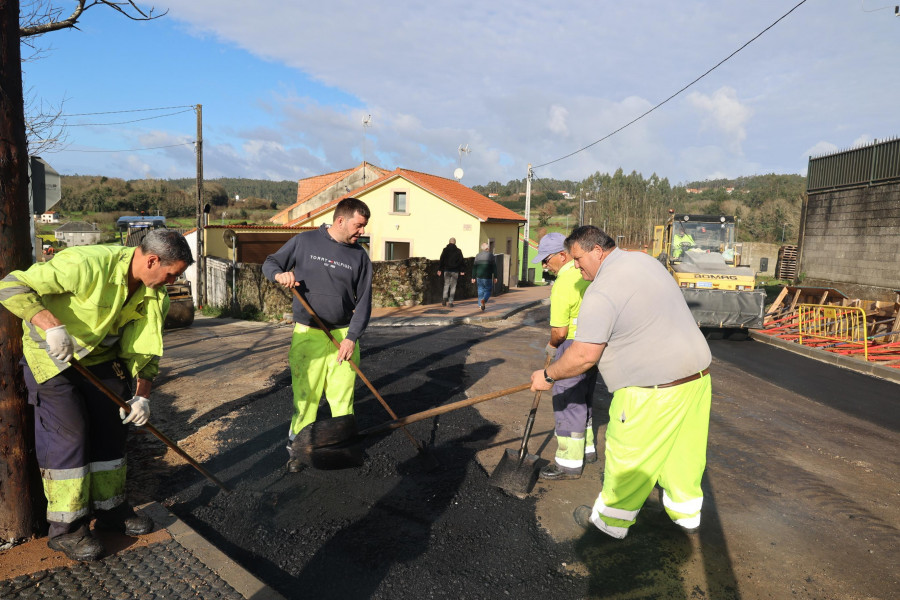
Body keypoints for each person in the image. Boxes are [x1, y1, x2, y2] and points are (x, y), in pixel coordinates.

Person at [0, 229, 193, 561]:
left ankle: (110, 509)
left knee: (111, 429)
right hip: (54, 357)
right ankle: (67, 528)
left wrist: (142, 396)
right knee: (70, 435)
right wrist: (51, 325)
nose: (170, 281)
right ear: (151, 260)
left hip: (102, 361)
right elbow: (11, 285)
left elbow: (147, 352)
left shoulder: (153, 295)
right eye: (171, 273)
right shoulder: (85, 263)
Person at [530, 225, 712, 539]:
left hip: (650, 389)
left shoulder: (602, 291)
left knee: (628, 456)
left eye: (578, 258)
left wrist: (547, 375)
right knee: (684, 453)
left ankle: (609, 524)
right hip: (696, 379)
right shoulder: (645, 262)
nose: (576, 266)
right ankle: (686, 516)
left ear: (597, 251)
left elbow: (584, 356)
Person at [263, 197, 373, 472]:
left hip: (343, 334)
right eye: (358, 226)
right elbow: (270, 263)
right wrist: (279, 275)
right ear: (340, 220)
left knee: (342, 396)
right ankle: (297, 451)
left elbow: (365, 302)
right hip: (308, 334)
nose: (362, 232)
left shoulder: (360, 256)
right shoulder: (305, 241)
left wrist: (352, 337)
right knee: (306, 396)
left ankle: (342, 447)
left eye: (364, 227)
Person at [531, 233, 598, 480]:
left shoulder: (563, 284)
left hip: (570, 345)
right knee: (584, 398)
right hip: (593, 344)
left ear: (562, 255)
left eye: (546, 260)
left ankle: (568, 463)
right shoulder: (587, 276)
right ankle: (588, 451)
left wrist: (551, 346)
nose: (544, 266)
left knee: (567, 400)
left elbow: (559, 332)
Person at [437, 237, 465, 307]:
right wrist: (462, 270)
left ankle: (444, 299)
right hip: (455, 271)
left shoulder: (445, 250)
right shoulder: (458, 251)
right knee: (453, 286)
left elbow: (441, 260)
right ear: (455, 243)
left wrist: (439, 269)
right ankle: (450, 302)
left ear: (449, 242)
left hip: (446, 270)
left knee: (446, 285)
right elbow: (461, 261)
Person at [471, 242, 497, 311]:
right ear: (487, 248)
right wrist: (495, 276)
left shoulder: (478, 255)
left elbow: (474, 267)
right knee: (488, 290)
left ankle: (480, 305)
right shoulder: (491, 255)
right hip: (488, 276)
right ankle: (484, 300)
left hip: (479, 276)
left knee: (480, 290)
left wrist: (473, 277)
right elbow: (494, 267)